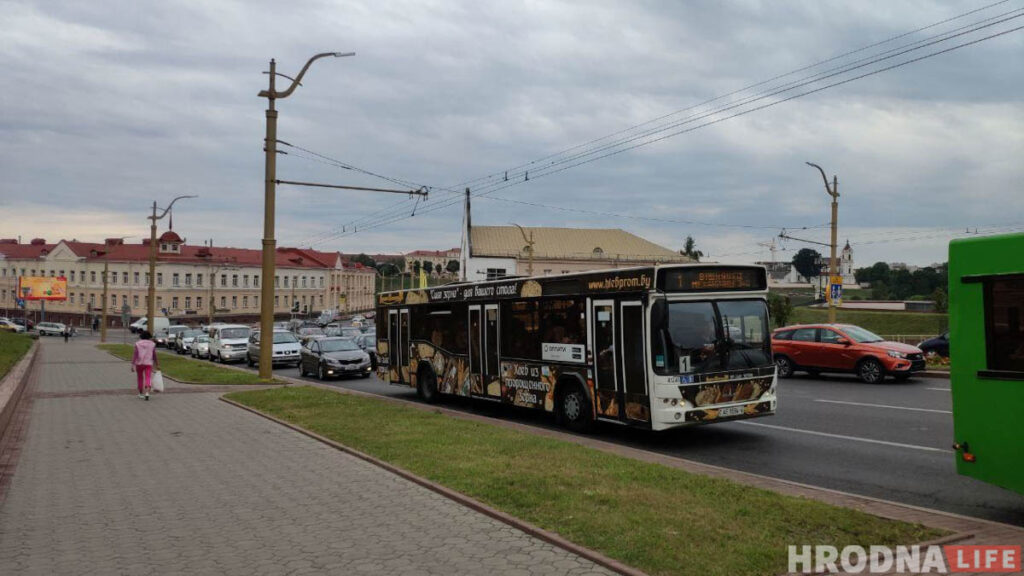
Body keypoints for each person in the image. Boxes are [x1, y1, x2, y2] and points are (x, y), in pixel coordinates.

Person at [131, 331, 159, 401]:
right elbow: (154, 355)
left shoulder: (137, 344)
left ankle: (140, 393)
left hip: (139, 364)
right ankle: (147, 392)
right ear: (149, 337)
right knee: (148, 377)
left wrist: (132, 365)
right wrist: (157, 363)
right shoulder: (152, 344)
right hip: (148, 363)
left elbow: (135, 355)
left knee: (140, 378)